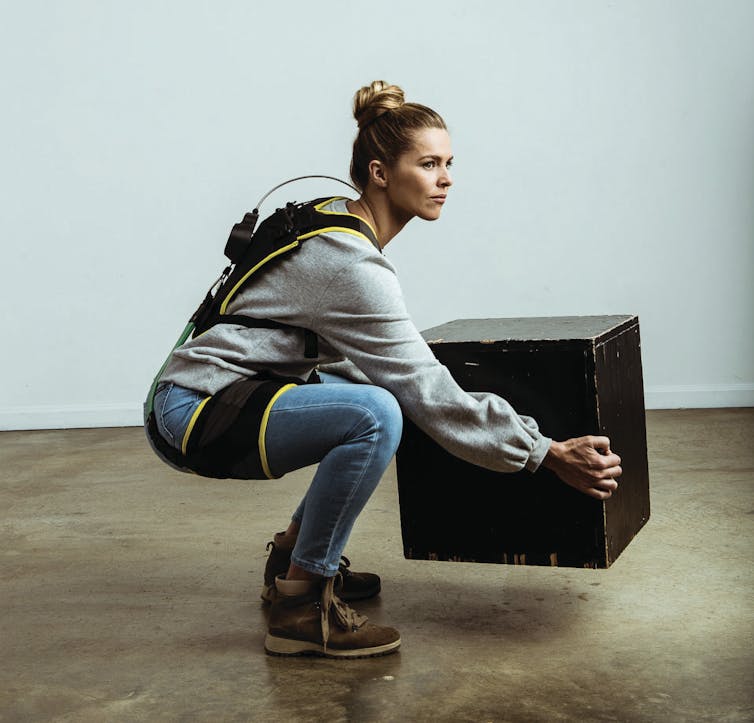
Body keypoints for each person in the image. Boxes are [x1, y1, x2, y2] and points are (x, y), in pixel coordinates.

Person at [149, 80, 622, 659]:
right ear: (380, 173)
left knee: (374, 388)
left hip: (224, 388)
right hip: (196, 409)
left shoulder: (334, 219)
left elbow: (384, 365)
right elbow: (426, 391)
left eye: (449, 163)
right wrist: (544, 451)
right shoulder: (352, 267)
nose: (446, 179)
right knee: (379, 412)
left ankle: (291, 558)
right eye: (428, 164)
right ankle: (301, 603)